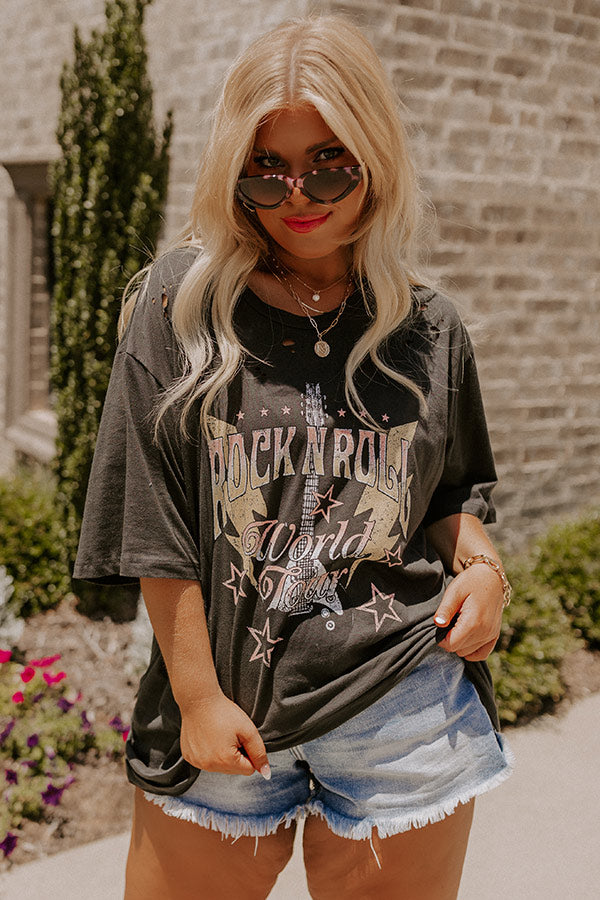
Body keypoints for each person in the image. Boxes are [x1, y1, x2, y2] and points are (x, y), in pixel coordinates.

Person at [74, 14, 514, 900]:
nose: (298, 194)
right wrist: (196, 697)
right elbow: (150, 518)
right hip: (225, 709)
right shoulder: (180, 307)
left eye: (329, 163)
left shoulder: (429, 326)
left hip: (403, 706)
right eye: (265, 168)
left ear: (375, 156)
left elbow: (451, 494)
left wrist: (485, 571)